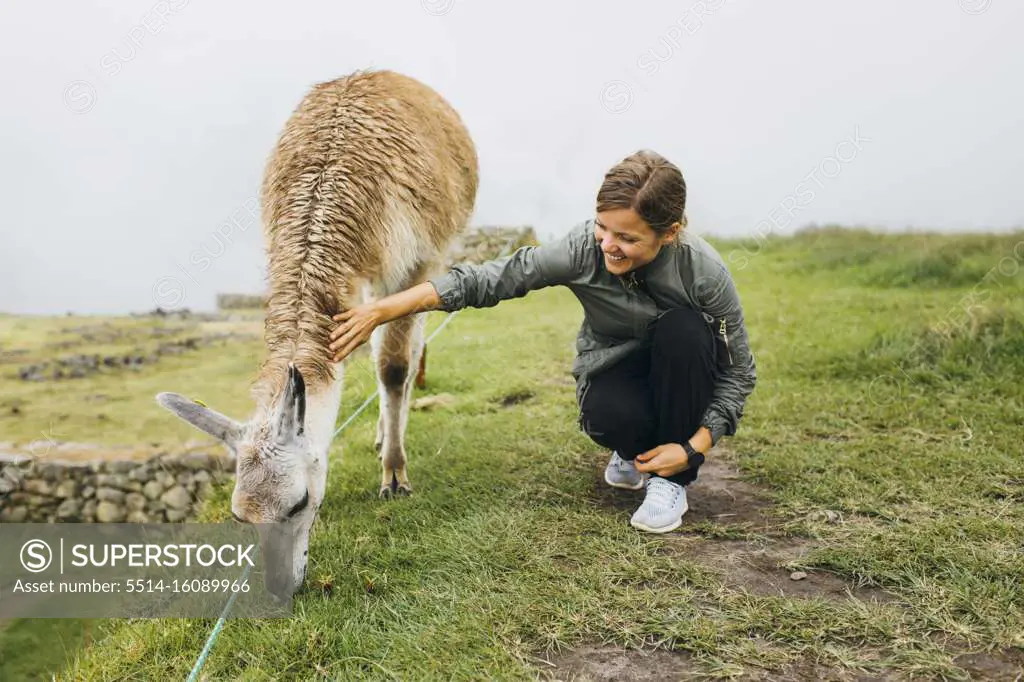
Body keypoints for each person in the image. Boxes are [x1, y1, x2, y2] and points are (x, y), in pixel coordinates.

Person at [327, 150, 757, 533]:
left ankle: (671, 484)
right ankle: (633, 450)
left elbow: (738, 371)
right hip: (615, 370)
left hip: (680, 369)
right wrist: (380, 310)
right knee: (610, 417)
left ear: (669, 233)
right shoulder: (581, 249)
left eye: (627, 238)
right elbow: (488, 280)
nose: (609, 245)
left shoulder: (704, 273)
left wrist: (691, 448)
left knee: (685, 329)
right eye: (603, 228)